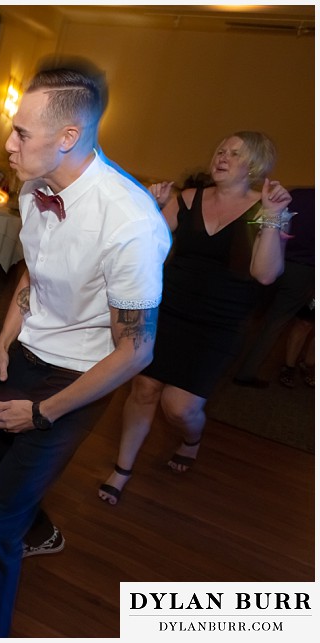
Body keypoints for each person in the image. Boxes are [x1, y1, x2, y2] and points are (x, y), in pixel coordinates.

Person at [0, 63, 171, 637]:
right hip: (27, 352)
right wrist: (5, 339)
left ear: (69, 137)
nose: (8, 144)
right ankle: (43, 530)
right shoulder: (34, 188)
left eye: (21, 133)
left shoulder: (129, 223)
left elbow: (136, 351)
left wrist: (44, 412)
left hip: (76, 380)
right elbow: (32, 270)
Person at [97, 132, 290, 506]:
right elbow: (147, 246)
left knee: (180, 407)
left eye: (235, 153)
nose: (222, 156)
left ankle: (191, 438)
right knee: (144, 388)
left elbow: (266, 274)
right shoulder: (187, 199)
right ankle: (121, 469)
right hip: (169, 311)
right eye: (220, 150)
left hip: (220, 324)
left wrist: (272, 217)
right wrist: (151, 209)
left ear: (255, 165)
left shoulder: (266, 209)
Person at [232, 187, 314, 388]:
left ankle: (226, 361)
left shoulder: (296, 194)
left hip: (272, 257)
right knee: (274, 324)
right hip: (302, 271)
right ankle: (246, 373)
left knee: (249, 314)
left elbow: (265, 222)